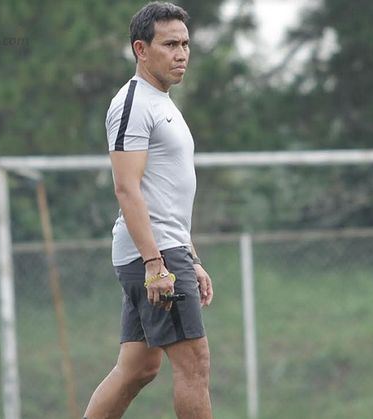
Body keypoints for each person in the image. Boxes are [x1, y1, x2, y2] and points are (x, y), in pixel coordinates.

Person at [83, 2, 214, 418]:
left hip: (166, 249)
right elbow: (127, 187)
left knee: (138, 368)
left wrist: (190, 257)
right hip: (152, 253)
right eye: (170, 44)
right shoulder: (133, 103)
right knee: (194, 364)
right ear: (141, 49)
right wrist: (157, 263)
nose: (182, 53)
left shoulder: (163, 103)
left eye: (186, 44)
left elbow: (167, 194)